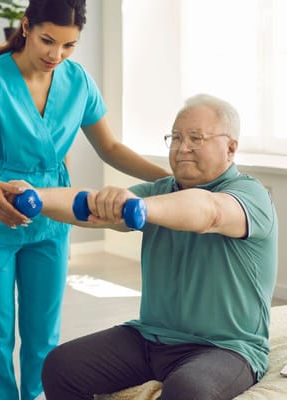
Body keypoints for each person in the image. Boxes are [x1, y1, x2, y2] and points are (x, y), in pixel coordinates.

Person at [0, 1, 169, 399]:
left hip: (52, 218)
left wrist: (170, 181)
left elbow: (110, 147)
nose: (56, 54)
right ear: (26, 26)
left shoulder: (78, 82)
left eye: (69, 45)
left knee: (43, 335)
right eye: (47, 40)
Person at [23, 93, 278, 400]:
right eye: (176, 138)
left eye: (196, 138)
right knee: (61, 365)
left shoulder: (250, 194)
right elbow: (88, 209)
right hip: (149, 338)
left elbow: (208, 212)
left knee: (188, 390)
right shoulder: (160, 191)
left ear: (231, 148)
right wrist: (35, 198)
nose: (183, 148)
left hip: (226, 348)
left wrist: (139, 207)